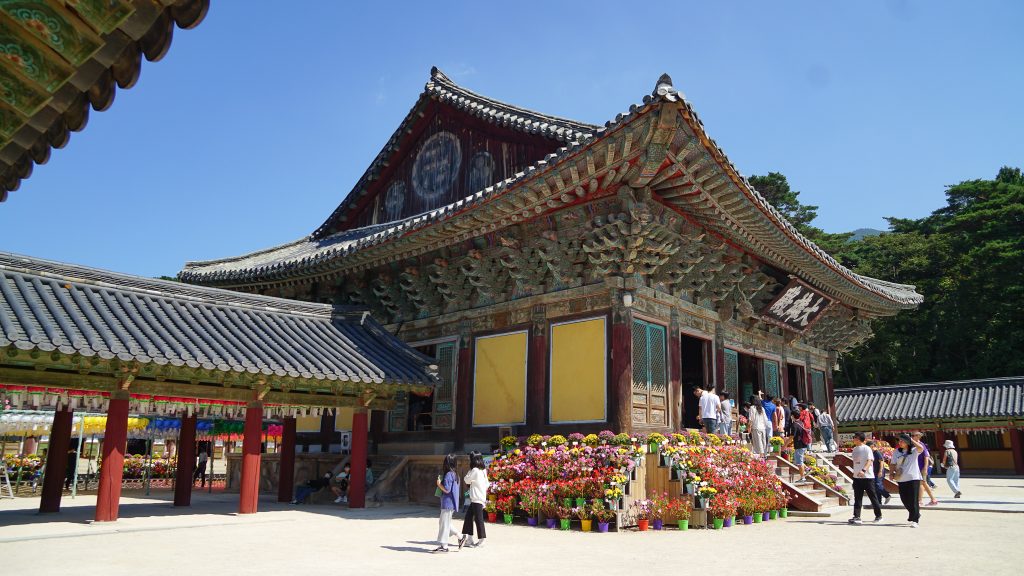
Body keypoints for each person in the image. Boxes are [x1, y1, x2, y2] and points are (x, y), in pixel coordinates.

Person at [890, 433, 926, 527]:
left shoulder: (913, 451)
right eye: (899, 440)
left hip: (913, 478)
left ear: (907, 442)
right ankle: (916, 513)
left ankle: (915, 520)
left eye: (902, 441)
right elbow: (893, 463)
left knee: (913, 499)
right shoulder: (897, 451)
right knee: (904, 499)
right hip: (901, 478)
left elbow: (921, 448)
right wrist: (891, 473)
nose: (900, 442)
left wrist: (911, 439)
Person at [848, 432, 882, 524]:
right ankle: (857, 516)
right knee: (857, 497)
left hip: (867, 477)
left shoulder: (867, 448)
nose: (853, 439)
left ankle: (878, 516)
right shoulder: (855, 449)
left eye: (855, 437)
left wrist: (863, 470)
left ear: (859, 438)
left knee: (872, 497)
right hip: (857, 477)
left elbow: (869, 461)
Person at [460, 452, 489, 549]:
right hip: (478, 498)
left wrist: (470, 475)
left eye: (470, 458)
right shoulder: (483, 470)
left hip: (476, 498)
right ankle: (470, 539)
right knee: (469, 518)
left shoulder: (475, 470)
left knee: (478, 519)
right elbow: (487, 484)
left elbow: (466, 480)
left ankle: (481, 540)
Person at [433, 453, 461, 553]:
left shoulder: (449, 474)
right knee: (444, 523)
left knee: (444, 524)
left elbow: (447, 490)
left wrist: (439, 484)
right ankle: (460, 537)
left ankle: (444, 546)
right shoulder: (455, 474)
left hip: (447, 503)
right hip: (451, 503)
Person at [912, 432, 939, 506]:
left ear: (918, 436)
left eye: (913, 435)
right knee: (924, 483)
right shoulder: (912, 445)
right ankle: (933, 499)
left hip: (921, 467)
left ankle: (920, 500)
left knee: (921, 483)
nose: (912, 437)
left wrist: (925, 467)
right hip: (915, 467)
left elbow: (926, 457)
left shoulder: (921, 444)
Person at [867, 440, 892, 505]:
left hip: (879, 471)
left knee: (878, 485)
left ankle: (887, 495)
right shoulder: (871, 452)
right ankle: (878, 501)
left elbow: (881, 461)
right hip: (874, 472)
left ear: (872, 446)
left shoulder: (877, 452)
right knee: (875, 487)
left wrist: (880, 471)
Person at [791, 413, 810, 480]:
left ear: (793, 416)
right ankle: (807, 469)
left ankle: (803, 478)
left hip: (799, 445)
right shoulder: (801, 423)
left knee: (799, 462)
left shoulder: (794, 424)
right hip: (803, 444)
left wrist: (785, 445)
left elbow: (792, 436)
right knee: (797, 460)